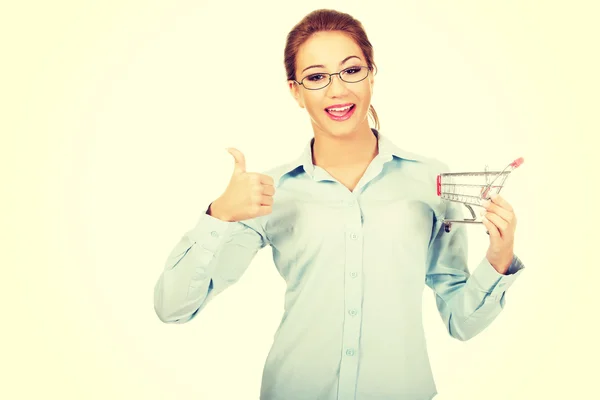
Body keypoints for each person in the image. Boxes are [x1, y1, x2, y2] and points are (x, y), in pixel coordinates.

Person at [153, 8, 525, 400]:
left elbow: (461, 321)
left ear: (371, 74)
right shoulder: (270, 191)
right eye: (316, 77)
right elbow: (173, 307)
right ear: (295, 91)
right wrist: (219, 215)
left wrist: (500, 256)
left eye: (351, 70)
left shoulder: (429, 181)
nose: (337, 90)